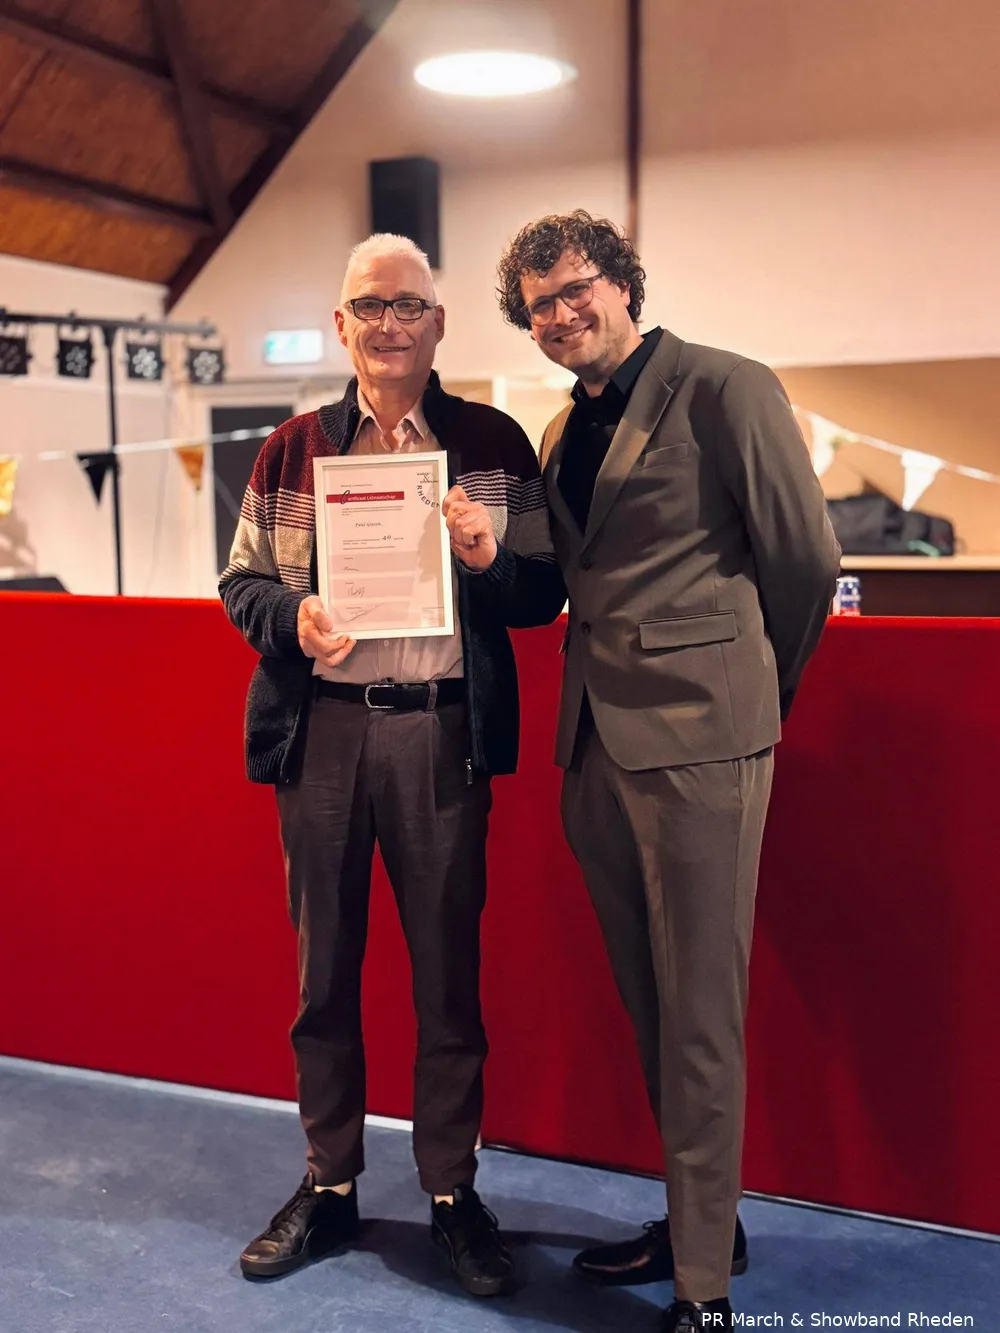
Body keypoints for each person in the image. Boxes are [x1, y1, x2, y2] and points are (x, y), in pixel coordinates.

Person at [492, 210, 841, 1332]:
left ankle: (704, 1289)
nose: (561, 314)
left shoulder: (727, 388)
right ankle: (705, 1222)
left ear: (621, 282)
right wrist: (484, 554)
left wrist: (750, 702)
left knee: (699, 1014)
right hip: (594, 747)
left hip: (704, 744)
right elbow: (562, 581)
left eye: (575, 288)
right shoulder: (562, 430)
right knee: (652, 1003)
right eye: (539, 306)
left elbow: (806, 561)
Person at [220, 232, 564, 1297]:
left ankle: (452, 1192)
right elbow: (240, 585)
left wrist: (485, 557)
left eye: (407, 304)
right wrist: (293, 616)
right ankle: (329, 1181)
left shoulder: (493, 444)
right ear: (342, 326)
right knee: (321, 975)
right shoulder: (289, 452)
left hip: (440, 731)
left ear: (438, 322)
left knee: (447, 978)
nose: (388, 324)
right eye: (368, 306)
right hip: (321, 732)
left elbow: (543, 591)